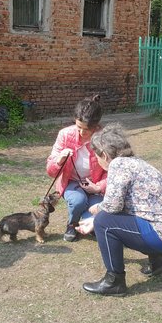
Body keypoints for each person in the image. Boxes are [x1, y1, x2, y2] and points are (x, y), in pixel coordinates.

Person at [77, 123, 162, 296]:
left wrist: (96, 213)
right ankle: (158, 260)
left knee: (103, 222)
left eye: (97, 157)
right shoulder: (137, 162)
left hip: (161, 234)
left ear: (104, 154)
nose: (97, 161)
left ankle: (114, 282)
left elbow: (111, 206)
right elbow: (127, 205)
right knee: (108, 218)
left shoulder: (118, 164)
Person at [46, 94, 107, 242]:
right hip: (71, 182)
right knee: (78, 201)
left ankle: (90, 223)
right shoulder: (65, 134)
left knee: (96, 210)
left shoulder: (104, 137)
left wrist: (98, 187)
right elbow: (51, 171)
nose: (82, 132)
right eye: (78, 127)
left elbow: (113, 170)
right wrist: (59, 160)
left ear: (96, 125)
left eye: (87, 129)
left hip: (96, 184)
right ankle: (72, 224)